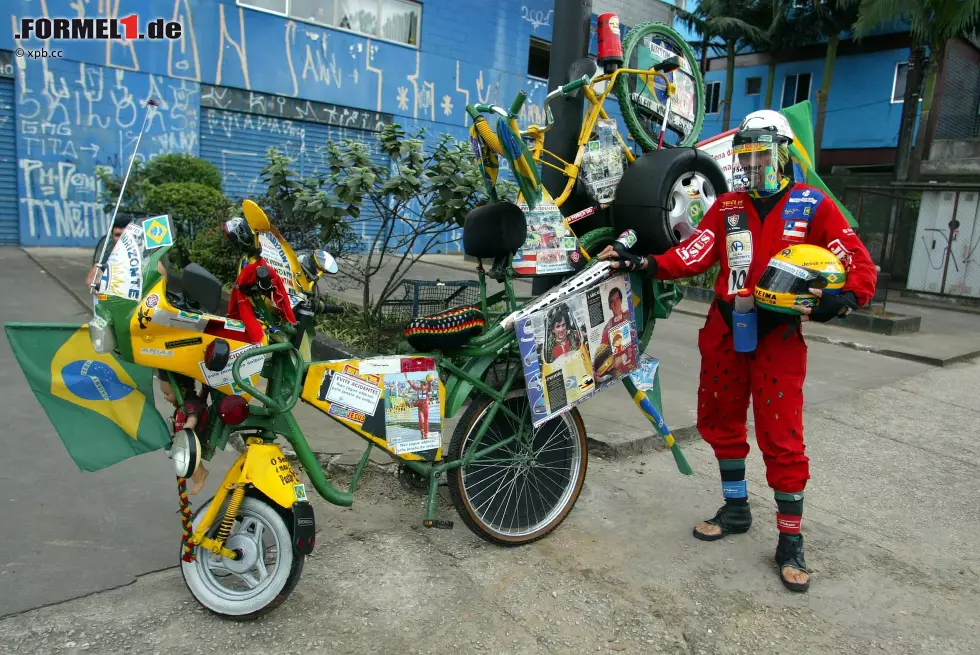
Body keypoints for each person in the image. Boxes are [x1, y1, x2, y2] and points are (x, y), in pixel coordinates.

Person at [598, 109, 877, 593]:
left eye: (761, 154)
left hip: (779, 336)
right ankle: (736, 507)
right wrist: (641, 261)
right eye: (745, 155)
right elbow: (692, 256)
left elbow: (859, 263)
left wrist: (846, 298)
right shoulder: (726, 206)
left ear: (784, 154)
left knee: (782, 434)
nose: (752, 163)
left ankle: (790, 541)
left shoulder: (812, 204)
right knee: (718, 419)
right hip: (726, 328)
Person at [86, 214, 133, 310]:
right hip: (112, 301)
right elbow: (91, 280)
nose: (120, 239)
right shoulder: (107, 247)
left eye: (124, 235)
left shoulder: (142, 248)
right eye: (117, 235)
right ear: (112, 236)